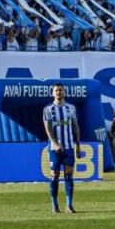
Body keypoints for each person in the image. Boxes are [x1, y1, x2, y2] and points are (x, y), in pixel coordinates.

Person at [42, 83, 81, 213]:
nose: (58, 92)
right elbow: (47, 129)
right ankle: (54, 204)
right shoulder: (48, 109)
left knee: (69, 176)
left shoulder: (71, 108)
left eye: (60, 90)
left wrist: (78, 145)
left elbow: (75, 127)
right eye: (56, 90)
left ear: (64, 92)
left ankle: (69, 205)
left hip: (69, 147)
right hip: (54, 149)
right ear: (52, 93)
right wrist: (56, 143)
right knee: (55, 175)